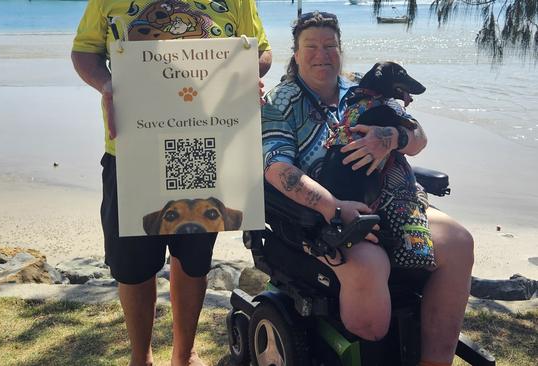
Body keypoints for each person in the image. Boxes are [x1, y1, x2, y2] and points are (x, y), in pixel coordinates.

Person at [261, 11, 473, 366]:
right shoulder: (279, 104)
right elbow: (277, 168)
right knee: (370, 270)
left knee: (458, 241)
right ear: (295, 53)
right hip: (320, 216)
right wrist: (334, 206)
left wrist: (391, 138)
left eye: (330, 45)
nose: (321, 54)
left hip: (390, 202)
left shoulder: (365, 88)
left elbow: (418, 138)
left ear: (340, 49)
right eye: (311, 46)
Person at [71, 0, 272, 365]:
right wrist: (107, 85)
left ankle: (184, 353)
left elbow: (260, 51)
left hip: (200, 139)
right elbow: (84, 51)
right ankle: (140, 356)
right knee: (133, 266)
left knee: (192, 259)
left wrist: (241, 74)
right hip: (133, 145)